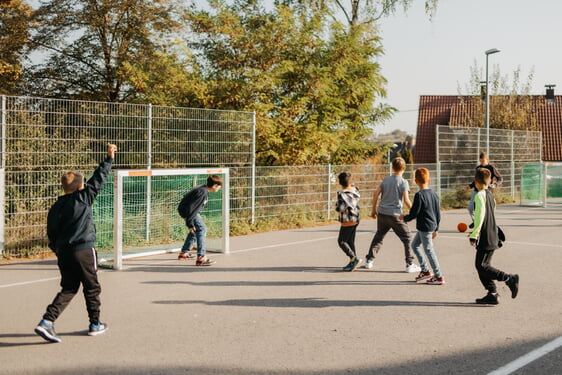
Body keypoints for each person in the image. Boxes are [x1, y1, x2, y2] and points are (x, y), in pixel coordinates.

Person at [34, 143, 117, 343]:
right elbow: (98, 179)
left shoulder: (56, 206)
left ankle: (47, 322)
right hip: (83, 250)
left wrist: (58, 249)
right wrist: (109, 158)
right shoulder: (84, 197)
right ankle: (95, 324)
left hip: (64, 252)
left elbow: (51, 232)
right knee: (92, 287)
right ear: (81, 186)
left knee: (69, 287)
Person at [469, 168, 519, 305]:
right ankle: (492, 293)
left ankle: (509, 279)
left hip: (485, 236)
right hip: (492, 233)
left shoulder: (479, 195)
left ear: (475, 181)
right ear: (490, 181)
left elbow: (480, 216)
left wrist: (474, 234)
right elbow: (490, 212)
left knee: (482, 266)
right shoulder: (489, 195)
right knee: (481, 265)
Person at [364, 157, 420, 273]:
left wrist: (373, 210)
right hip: (395, 215)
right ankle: (409, 264)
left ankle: (369, 261)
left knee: (379, 237)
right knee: (408, 238)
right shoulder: (403, 182)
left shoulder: (386, 180)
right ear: (404, 168)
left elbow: (375, 194)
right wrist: (415, 212)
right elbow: (406, 200)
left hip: (382, 214)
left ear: (392, 167)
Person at [404, 168, 445, 285]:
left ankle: (439, 276)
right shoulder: (434, 194)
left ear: (415, 181)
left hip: (425, 227)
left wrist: (404, 218)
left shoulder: (419, 195)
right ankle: (425, 270)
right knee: (415, 245)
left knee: (429, 250)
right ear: (429, 180)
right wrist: (436, 228)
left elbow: (414, 213)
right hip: (430, 226)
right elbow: (438, 213)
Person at [177, 175, 222, 266]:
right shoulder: (202, 192)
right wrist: (189, 223)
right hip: (188, 212)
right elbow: (191, 208)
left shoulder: (203, 189)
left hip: (189, 212)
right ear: (215, 185)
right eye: (219, 187)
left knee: (196, 230)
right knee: (202, 229)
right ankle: (201, 258)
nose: (219, 189)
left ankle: (184, 253)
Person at [466, 151, 502, 227]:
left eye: (483, 161)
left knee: (487, 209)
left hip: (486, 191)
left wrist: (495, 184)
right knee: (470, 208)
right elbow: (476, 180)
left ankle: (486, 224)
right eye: (480, 161)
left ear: (487, 159)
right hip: (477, 191)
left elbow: (500, 178)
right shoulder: (478, 168)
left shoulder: (491, 168)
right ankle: (476, 221)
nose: (482, 162)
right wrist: (470, 186)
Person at [335, 172, 361, 271]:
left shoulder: (342, 195)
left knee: (341, 241)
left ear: (340, 183)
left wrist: (337, 206)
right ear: (351, 182)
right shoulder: (355, 191)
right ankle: (353, 260)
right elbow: (352, 185)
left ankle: (354, 258)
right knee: (350, 241)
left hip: (347, 220)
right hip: (355, 219)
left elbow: (340, 208)